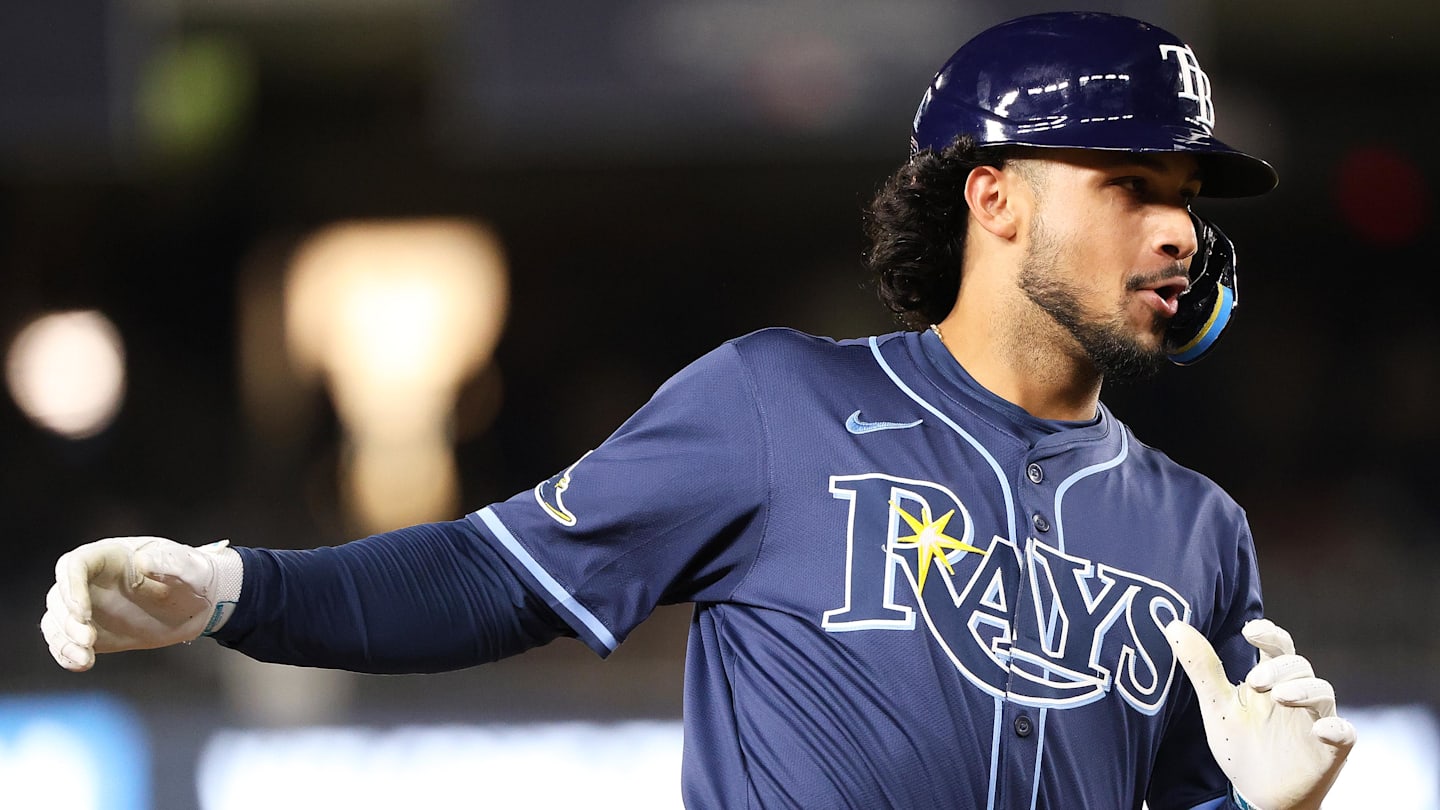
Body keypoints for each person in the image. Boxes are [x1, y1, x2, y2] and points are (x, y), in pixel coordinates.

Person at [41, 12, 1354, 810]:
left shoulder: (1198, 530)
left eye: (1189, 191)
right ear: (993, 197)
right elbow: (487, 576)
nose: (1181, 226)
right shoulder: (776, 406)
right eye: (1131, 180)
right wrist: (228, 588)